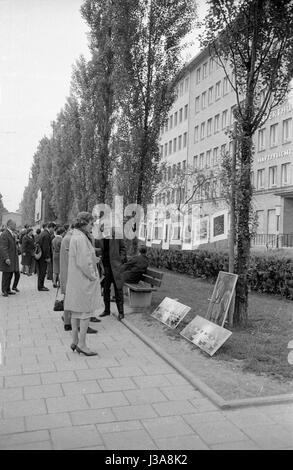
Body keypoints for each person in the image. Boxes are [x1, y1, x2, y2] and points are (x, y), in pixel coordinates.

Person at [65, 212, 103, 356]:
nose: (92, 226)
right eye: (90, 223)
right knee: (86, 312)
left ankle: (74, 340)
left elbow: (83, 258)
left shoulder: (75, 236)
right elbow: (84, 262)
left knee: (75, 311)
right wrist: (93, 276)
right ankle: (82, 344)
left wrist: (93, 259)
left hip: (76, 280)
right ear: (84, 223)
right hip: (84, 281)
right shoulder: (81, 238)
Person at [95, 227, 127, 321]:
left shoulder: (117, 234)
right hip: (105, 267)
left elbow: (123, 248)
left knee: (118, 289)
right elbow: (99, 249)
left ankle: (121, 312)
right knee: (105, 290)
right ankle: (107, 310)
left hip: (116, 267)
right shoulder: (101, 237)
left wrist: (119, 260)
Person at [0, 219, 19, 296]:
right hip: (8, 258)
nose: (15, 226)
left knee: (10, 274)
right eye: (14, 224)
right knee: (6, 275)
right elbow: (3, 247)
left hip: (12, 258)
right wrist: (6, 258)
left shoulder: (11, 233)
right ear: (10, 225)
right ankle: (4, 290)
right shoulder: (5, 234)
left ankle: (8, 289)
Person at [36, 222, 55, 291]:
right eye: (54, 229)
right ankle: (41, 287)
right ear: (50, 227)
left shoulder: (43, 233)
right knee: (42, 272)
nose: (54, 231)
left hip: (41, 256)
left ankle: (40, 285)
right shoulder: (46, 235)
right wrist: (47, 257)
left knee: (41, 271)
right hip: (43, 257)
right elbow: (46, 247)